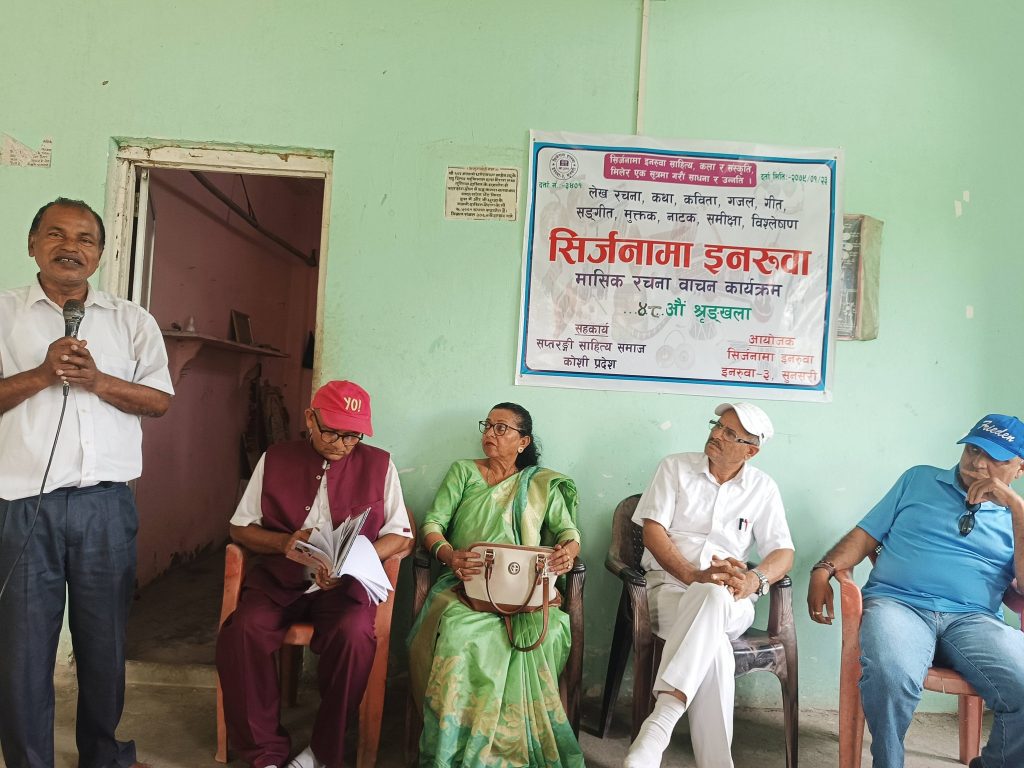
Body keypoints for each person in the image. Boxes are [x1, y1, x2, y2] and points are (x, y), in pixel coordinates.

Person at [0, 197, 173, 768]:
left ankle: (104, 755)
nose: (70, 247)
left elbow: (159, 400)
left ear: (99, 253)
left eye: (85, 239)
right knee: (24, 649)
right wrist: (40, 374)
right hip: (23, 506)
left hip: (106, 507)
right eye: (56, 234)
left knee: (104, 643)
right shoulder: (3, 314)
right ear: (32, 244)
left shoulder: (131, 320)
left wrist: (98, 381)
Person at [216, 380, 414, 768]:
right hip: (279, 580)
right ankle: (264, 753)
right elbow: (240, 528)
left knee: (355, 636)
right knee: (243, 632)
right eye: (332, 432)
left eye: (352, 436)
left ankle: (322, 752)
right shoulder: (276, 458)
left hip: (344, 587)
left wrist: (351, 561)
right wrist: (284, 542)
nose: (341, 444)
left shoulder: (379, 464)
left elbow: (400, 534)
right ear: (311, 419)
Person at [807, 414, 1024, 768]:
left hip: (974, 620)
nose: (977, 463)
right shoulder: (918, 480)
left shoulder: (1018, 516)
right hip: (898, 605)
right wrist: (823, 568)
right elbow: (866, 535)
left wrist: (1017, 509)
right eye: (973, 450)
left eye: (995, 458)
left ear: (1019, 468)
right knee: (890, 674)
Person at [408, 402, 583, 767]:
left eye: (501, 428)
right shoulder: (463, 472)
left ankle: (516, 748)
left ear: (523, 441)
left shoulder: (540, 484)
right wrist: (449, 555)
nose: (489, 433)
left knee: (551, 632)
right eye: (487, 425)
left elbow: (568, 531)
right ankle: (458, 745)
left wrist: (568, 552)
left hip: (527, 591)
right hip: (465, 584)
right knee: (459, 633)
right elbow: (432, 525)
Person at [625, 402, 794, 768]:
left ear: (751, 451)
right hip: (669, 590)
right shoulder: (674, 467)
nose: (716, 434)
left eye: (730, 433)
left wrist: (754, 580)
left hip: (732, 601)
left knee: (715, 596)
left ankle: (660, 724)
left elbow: (783, 552)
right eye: (718, 425)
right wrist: (692, 575)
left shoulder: (763, 488)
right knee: (714, 646)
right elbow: (653, 532)